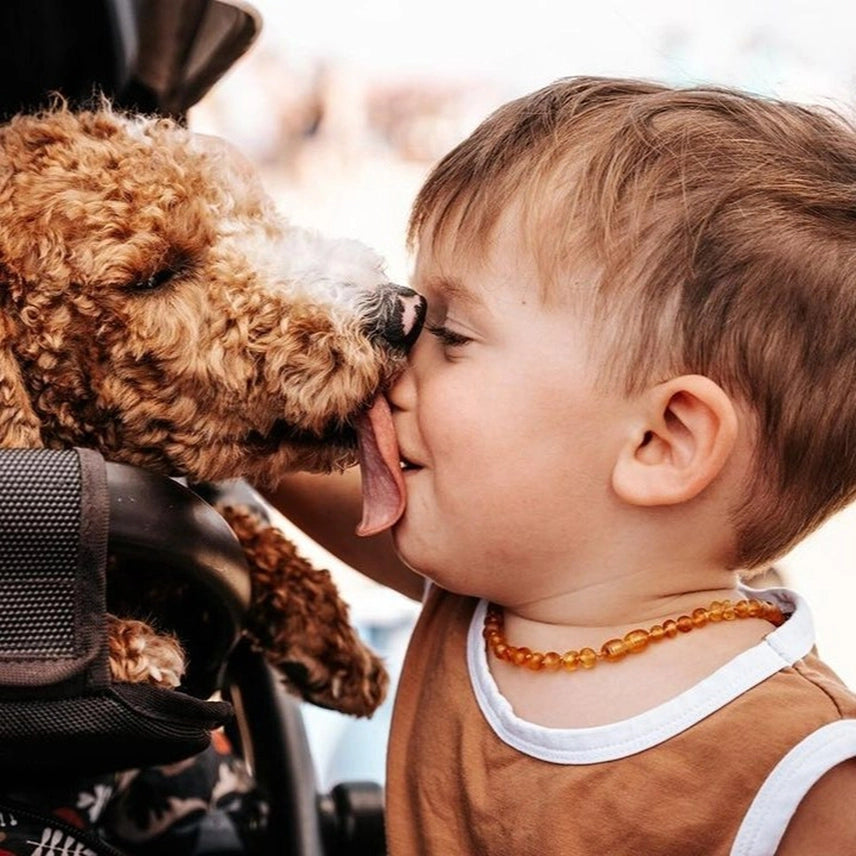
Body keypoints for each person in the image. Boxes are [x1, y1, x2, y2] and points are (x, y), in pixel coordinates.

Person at [266, 76, 856, 854]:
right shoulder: (492, 587)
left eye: (452, 335)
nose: (399, 359)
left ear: (662, 441)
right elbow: (265, 452)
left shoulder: (804, 768)